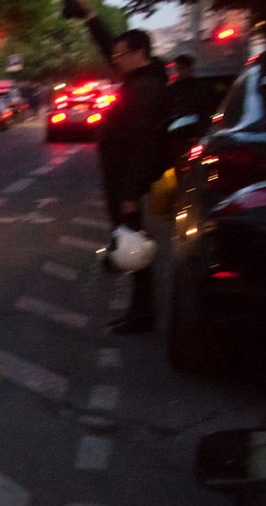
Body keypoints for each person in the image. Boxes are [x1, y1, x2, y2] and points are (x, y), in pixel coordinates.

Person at [65, 0, 168, 334]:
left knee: (134, 249)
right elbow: (110, 47)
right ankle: (138, 310)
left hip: (126, 182)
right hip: (123, 179)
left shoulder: (146, 89)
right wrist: (92, 18)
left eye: (122, 55)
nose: (115, 59)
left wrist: (127, 193)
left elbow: (142, 145)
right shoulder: (142, 78)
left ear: (139, 53)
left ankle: (141, 314)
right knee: (131, 246)